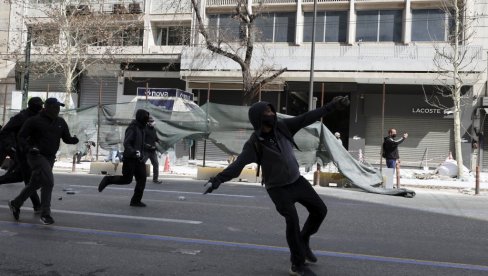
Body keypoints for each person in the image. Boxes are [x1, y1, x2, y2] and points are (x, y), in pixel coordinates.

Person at [203, 96, 350, 276]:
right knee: (292, 221)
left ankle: (303, 240)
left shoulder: (283, 127)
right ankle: (297, 265)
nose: (271, 114)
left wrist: (332, 106)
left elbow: (308, 117)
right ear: (258, 118)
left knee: (320, 210)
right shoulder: (254, 144)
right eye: (267, 112)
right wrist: (217, 180)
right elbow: (237, 166)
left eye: (272, 111)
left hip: (297, 181)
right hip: (278, 189)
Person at [8, 97, 79, 225]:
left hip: (50, 157)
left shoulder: (61, 122)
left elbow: (66, 138)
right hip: (36, 156)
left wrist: (74, 140)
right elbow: (21, 137)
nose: (57, 109)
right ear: (46, 108)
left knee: (35, 184)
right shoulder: (34, 121)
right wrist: (29, 148)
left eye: (58, 107)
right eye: (54, 107)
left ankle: (15, 203)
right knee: (49, 182)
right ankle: (45, 214)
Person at [98, 109, 150, 207]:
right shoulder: (133, 128)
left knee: (142, 179)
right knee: (127, 180)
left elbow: (141, 143)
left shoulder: (142, 128)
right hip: (130, 158)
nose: (147, 120)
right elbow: (127, 143)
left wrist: (145, 150)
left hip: (139, 160)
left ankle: (135, 201)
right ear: (140, 117)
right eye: (145, 117)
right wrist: (134, 151)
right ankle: (108, 180)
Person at [0, 97, 44, 213]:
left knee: (22, 177)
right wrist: (12, 146)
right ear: (33, 105)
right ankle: (37, 205)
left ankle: (36, 205)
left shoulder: (38, 117)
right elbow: (5, 132)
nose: (41, 107)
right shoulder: (21, 117)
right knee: (29, 179)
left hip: (31, 152)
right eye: (39, 105)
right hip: (21, 152)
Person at [143, 116, 162, 184]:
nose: (153, 122)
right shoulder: (144, 129)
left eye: (153, 121)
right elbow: (142, 141)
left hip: (153, 151)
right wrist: (148, 146)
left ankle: (155, 179)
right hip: (146, 151)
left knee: (156, 164)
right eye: (151, 121)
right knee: (141, 164)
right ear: (147, 122)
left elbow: (155, 138)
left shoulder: (154, 130)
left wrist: (158, 141)